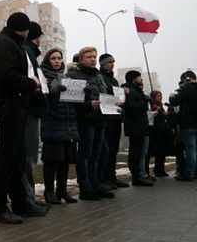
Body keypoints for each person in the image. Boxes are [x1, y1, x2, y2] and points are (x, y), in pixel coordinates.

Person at [0, 12, 40, 224]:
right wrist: (31, 83)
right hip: (9, 104)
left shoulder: (10, 42)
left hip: (15, 104)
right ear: (25, 30)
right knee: (6, 157)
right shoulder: (5, 44)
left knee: (18, 157)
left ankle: (20, 202)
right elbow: (5, 76)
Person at [11, 21, 49, 216]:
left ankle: (29, 197)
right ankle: (26, 199)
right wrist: (41, 96)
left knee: (29, 157)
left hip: (31, 109)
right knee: (28, 157)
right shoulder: (27, 51)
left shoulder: (29, 52)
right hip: (29, 110)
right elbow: (31, 82)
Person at [66, 47, 113, 200]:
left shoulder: (98, 74)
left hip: (100, 118)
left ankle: (95, 183)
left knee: (96, 154)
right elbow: (70, 99)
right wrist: (88, 104)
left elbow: (104, 93)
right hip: (85, 119)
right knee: (85, 154)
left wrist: (112, 102)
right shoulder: (73, 75)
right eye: (89, 56)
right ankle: (85, 187)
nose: (93, 59)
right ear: (81, 59)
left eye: (94, 56)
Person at [39, 48, 79, 204]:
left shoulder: (67, 77)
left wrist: (82, 93)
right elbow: (41, 98)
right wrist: (52, 91)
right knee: (51, 160)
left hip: (68, 124)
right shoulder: (42, 76)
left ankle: (62, 190)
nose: (56, 61)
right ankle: (49, 192)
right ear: (47, 60)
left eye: (59, 58)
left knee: (65, 160)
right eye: (53, 58)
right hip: (52, 124)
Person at [97, 53, 129, 188]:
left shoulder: (113, 79)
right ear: (103, 63)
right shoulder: (100, 77)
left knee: (114, 149)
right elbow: (105, 92)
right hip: (106, 117)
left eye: (113, 62)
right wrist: (119, 91)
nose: (112, 64)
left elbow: (118, 96)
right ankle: (104, 177)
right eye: (110, 62)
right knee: (107, 149)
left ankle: (111, 176)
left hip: (115, 117)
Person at [122, 70, 154, 186]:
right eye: (139, 77)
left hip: (140, 125)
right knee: (135, 153)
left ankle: (141, 174)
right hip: (135, 126)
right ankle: (136, 176)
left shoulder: (137, 90)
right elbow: (130, 107)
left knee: (141, 152)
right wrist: (144, 102)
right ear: (133, 78)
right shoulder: (129, 90)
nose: (142, 79)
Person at [169, 70, 197, 181]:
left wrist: (172, 97)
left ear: (187, 78)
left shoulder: (186, 89)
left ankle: (190, 172)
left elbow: (175, 102)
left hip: (187, 123)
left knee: (190, 149)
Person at [145, 90, 172, 177]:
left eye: (160, 95)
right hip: (155, 131)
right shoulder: (151, 105)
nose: (159, 97)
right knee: (151, 152)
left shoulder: (160, 105)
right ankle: (149, 171)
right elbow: (151, 117)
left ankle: (160, 169)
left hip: (162, 131)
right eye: (157, 96)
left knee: (161, 152)